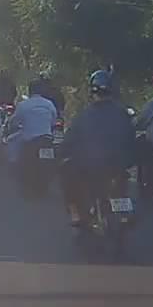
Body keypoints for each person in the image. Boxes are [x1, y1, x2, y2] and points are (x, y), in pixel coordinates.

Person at [59, 70, 137, 226]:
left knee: (66, 171)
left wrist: (62, 152)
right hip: (119, 165)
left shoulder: (85, 115)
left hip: (93, 165)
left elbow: (69, 139)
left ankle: (75, 215)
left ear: (92, 91)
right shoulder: (122, 113)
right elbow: (131, 136)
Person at [5, 79, 59, 164]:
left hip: (29, 139)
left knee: (11, 140)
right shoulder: (49, 104)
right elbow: (53, 120)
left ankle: (13, 164)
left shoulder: (23, 105)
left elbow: (14, 121)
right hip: (47, 138)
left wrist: (12, 127)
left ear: (29, 91)